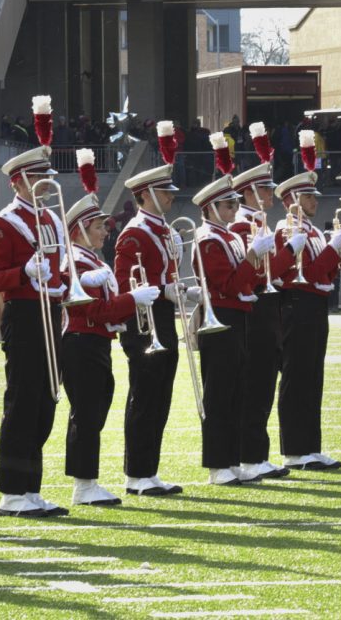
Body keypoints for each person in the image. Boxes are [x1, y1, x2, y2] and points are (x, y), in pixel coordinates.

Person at [0, 131, 71, 517]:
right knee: (22, 401)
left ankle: (31, 487)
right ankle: (12, 491)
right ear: (17, 181)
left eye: (46, 176)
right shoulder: (5, 222)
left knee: (46, 401)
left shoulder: (51, 218)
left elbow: (61, 269)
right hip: (23, 313)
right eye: (36, 178)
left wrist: (66, 283)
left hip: (51, 312)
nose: (45, 184)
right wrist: (22, 271)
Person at [61, 167, 155, 506]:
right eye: (99, 227)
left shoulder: (90, 259)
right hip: (81, 341)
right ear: (81, 230)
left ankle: (87, 482)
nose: (104, 232)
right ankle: (84, 486)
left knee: (95, 409)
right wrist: (132, 300)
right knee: (87, 413)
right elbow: (92, 312)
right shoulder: (77, 262)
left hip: (95, 342)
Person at [272, 131, 341, 470]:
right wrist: (334, 250)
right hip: (297, 304)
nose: (315, 201)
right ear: (292, 199)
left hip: (316, 305)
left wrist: (336, 254)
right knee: (297, 375)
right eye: (308, 196)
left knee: (313, 376)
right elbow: (308, 273)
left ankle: (310, 446)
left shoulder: (314, 231)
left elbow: (324, 274)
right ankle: (294, 449)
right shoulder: (286, 229)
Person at [113, 149, 185, 495]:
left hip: (162, 318)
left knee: (160, 397)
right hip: (142, 323)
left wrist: (178, 288)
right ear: (146, 195)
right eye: (164, 191)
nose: (171, 196)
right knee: (145, 397)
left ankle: (149, 470)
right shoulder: (135, 232)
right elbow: (125, 280)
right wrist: (164, 289)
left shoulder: (163, 230)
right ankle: (136, 473)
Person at [190, 161, 265, 486]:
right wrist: (252, 259)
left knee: (237, 391)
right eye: (229, 204)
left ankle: (231, 459)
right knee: (220, 394)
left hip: (238, 316)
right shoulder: (208, 239)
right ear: (211, 208)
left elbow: (247, 283)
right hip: (220, 317)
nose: (236, 208)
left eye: (236, 203)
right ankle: (217, 464)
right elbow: (228, 283)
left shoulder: (228, 236)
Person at [228, 157, 293, 479]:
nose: (270, 193)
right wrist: (290, 251)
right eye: (264, 188)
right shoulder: (242, 226)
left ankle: (256, 454)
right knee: (255, 386)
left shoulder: (260, 224)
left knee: (264, 384)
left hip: (268, 310)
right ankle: (250, 456)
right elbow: (260, 274)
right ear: (250, 192)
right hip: (255, 312)